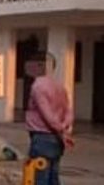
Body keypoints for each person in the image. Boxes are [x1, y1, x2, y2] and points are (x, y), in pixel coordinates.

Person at [25, 52, 74, 185]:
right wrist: (64, 128)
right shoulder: (59, 85)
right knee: (53, 176)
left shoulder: (38, 87)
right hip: (56, 139)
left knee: (41, 177)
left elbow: (47, 114)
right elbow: (68, 110)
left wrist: (59, 128)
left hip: (42, 136)